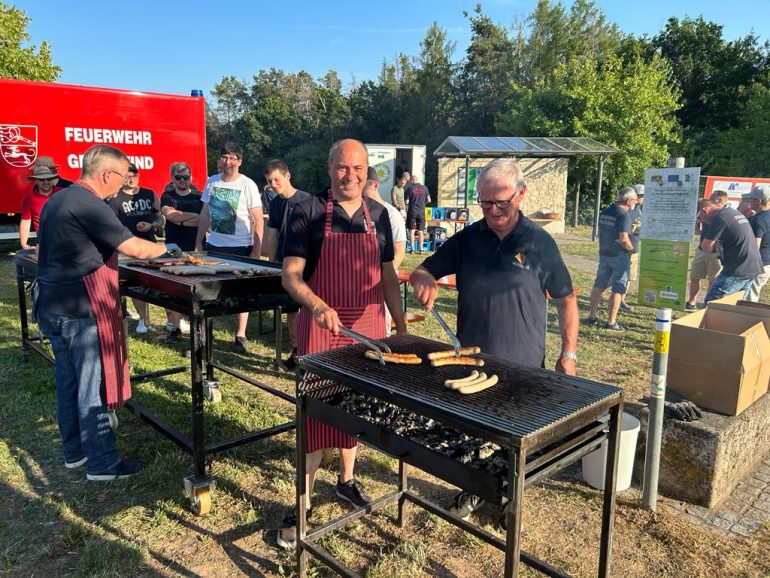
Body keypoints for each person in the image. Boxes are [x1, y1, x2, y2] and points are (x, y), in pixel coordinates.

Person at [410, 158, 577, 521]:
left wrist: (569, 353)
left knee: (516, 442)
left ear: (521, 194)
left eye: (502, 202)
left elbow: (566, 299)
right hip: (473, 360)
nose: (494, 210)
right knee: (474, 435)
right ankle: (474, 488)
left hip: (524, 362)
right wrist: (422, 279)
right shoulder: (469, 238)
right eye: (486, 203)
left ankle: (510, 502)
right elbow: (425, 269)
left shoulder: (538, 242)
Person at [277, 138, 406, 549]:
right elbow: (290, 275)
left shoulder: (381, 215)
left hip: (368, 324)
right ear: (330, 168)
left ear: (369, 172)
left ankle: (347, 481)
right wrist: (315, 304)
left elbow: (387, 276)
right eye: (342, 168)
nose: (351, 176)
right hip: (321, 325)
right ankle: (303, 504)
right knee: (315, 414)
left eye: (358, 168)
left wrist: (398, 324)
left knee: (356, 407)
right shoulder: (307, 212)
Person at [35, 144, 176, 481]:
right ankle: (102, 463)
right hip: (80, 307)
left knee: (68, 381)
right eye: (122, 176)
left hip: (51, 303)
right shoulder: (89, 204)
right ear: (107, 174)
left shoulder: (59, 198)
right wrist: (169, 249)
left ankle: (75, 453)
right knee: (90, 386)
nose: (122, 184)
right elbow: (134, 247)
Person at [195, 142, 263, 353]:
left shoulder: (248, 184)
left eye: (233, 157)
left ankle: (240, 335)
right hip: (215, 245)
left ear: (240, 161)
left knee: (240, 292)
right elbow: (205, 213)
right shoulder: (211, 182)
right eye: (225, 157)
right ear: (220, 160)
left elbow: (258, 219)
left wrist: (256, 251)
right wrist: (199, 242)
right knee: (209, 292)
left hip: (241, 246)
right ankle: (205, 336)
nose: (228, 161)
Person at [261, 159, 311, 368]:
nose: (273, 184)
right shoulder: (274, 203)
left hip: (307, 263)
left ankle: (312, 351)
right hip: (283, 262)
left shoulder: (307, 201)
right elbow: (272, 235)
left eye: (276, 179)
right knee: (290, 309)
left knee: (307, 308)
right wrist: (271, 265)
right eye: (269, 181)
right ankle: (296, 351)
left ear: (287, 176)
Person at [107, 163, 164, 334]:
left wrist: (151, 225)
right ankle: (143, 320)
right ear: (123, 177)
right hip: (128, 248)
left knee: (161, 283)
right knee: (134, 285)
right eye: (128, 176)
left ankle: (171, 320)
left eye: (135, 176)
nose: (132, 179)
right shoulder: (115, 199)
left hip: (150, 245)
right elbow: (112, 224)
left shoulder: (149, 193)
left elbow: (161, 219)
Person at [161, 161, 202, 341]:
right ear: (172, 178)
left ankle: (197, 328)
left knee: (198, 289)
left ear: (191, 177)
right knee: (174, 287)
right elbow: (170, 215)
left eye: (186, 177)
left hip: (196, 246)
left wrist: (180, 219)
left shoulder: (199, 197)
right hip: (173, 247)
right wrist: (188, 218)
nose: (183, 180)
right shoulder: (167, 196)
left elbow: (203, 220)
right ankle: (175, 327)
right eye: (178, 177)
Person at [586, 187, 638, 331]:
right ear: (628, 201)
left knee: (598, 284)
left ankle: (592, 317)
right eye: (634, 200)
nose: (635, 203)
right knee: (618, 289)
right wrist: (631, 250)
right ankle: (611, 322)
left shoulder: (605, 211)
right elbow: (623, 239)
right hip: (619, 256)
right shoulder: (624, 216)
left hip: (604, 253)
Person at [364, 166, 407, 334]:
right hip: (364, 285)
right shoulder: (359, 212)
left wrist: (380, 277)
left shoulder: (391, 214)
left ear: (375, 185)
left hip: (383, 284)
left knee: (382, 332)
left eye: (363, 185)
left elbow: (399, 251)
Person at [699, 200, 763, 303]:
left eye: (699, 218)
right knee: (737, 306)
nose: (700, 221)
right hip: (752, 266)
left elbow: (706, 247)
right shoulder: (730, 212)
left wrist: (712, 246)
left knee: (712, 304)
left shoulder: (720, 218)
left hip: (738, 268)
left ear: (704, 211)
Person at [686, 191, 728, 310]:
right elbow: (696, 222)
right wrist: (698, 232)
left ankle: (708, 304)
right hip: (701, 250)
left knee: (713, 280)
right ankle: (691, 301)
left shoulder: (724, 215)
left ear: (720, 201)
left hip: (716, 253)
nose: (709, 201)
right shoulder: (707, 211)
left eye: (712, 199)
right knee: (694, 276)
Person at [19, 164, 69, 250]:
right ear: (36, 181)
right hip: (44, 242)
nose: (46, 182)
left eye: (49, 179)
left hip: (65, 240)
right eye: (42, 179)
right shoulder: (29, 199)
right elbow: (26, 221)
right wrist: (24, 244)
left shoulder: (63, 193)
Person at [746, 185, 770, 302]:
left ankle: (749, 320)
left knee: (749, 298)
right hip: (767, 263)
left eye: (751, 198)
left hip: (757, 265)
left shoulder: (758, 220)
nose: (748, 201)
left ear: (758, 201)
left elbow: (754, 247)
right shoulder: (763, 217)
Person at [404, 173, 431, 254]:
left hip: (412, 211)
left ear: (412, 181)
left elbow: (406, 201)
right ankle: (421, 249)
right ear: (418, 180)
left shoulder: (409, 188)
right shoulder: (424, 188)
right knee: (420, 231)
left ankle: (412, 249)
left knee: (412, 231)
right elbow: (429, 200)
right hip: (421, 211)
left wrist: (409, 202)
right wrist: (423, 202)